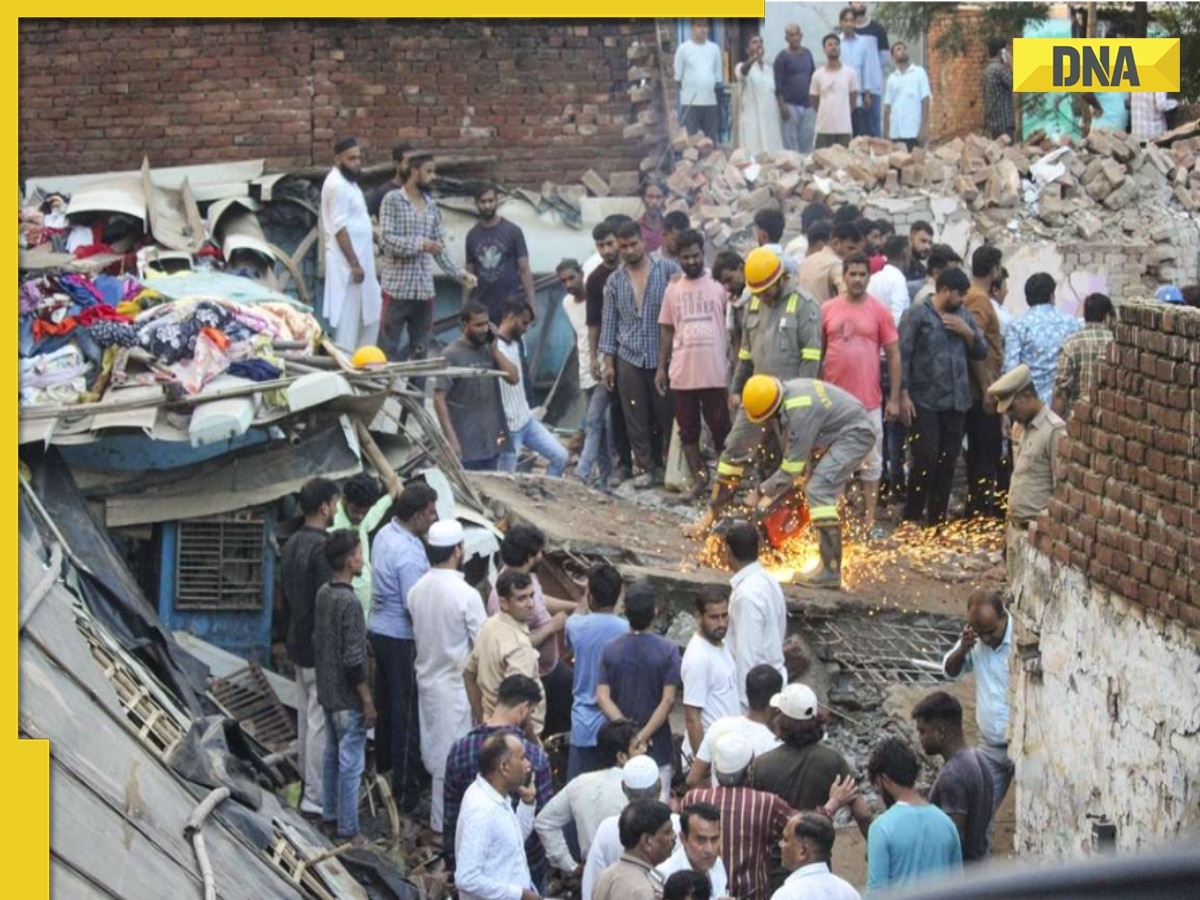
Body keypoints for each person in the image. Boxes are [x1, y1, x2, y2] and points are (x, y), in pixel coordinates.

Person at [685, 248, 822, 537]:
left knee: (788, 467)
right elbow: (745, 354)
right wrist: (736, 389)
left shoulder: (805, 305)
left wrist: (801, 408)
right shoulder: (754, 304)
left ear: (781, 279)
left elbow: (811, 360)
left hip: (790, 404)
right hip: (757, 399)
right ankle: (713, 514)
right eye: (756, 291)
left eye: (767, 290)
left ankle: (787, 531)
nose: (762, 296)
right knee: (733, 452)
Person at [736, 375, 877, 590]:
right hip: (842, 430)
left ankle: (829, 570)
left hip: (855, 433)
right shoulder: (790, 393)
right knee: (812, 488)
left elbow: (792, 469)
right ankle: (821, 554)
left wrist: (761, 491)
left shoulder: (799, 411)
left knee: (818, 490)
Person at [407, 519, 487, 839]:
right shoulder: (466, 595)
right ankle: (447, 827)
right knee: (452, 760)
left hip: (427, 682)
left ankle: (445, 823)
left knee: (436, 754)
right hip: (455, 687)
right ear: (457, 550)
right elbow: (483, 645)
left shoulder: (416, 590)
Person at [898, 267, 988, 528]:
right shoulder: (917, 315)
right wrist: (902, 394)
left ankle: (937, 519)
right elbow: (903, 355)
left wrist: (967, 333)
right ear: (946, 291)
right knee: (925, 457)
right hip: (924, 400)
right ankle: (912, 516)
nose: (962, 300)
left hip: (957, 401)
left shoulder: (963, 316)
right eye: (959, 295)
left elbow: (981, 352)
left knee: (948, 461)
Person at [820, 251, 901, 538]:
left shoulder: (880, 311)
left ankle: (868, 518)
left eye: (862, 274)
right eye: (852, 274)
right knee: (834, 459)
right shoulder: (827, 309)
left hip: (869, 401)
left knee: (872, 460)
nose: (857, 279)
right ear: (843, 276)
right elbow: (818, 353)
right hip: (833, 403)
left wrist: (894, 398)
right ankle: (835, 518)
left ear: (869, 277)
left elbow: (893, 355)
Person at [370, 479, 439, 813]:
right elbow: (417, 605)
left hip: (380, 630)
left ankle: (383, 768)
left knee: (387, 707)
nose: (434, 518)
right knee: (406, 714)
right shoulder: (410, 554)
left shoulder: (385, 533)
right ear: (416, 517)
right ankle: (406, 790)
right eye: (430, 513)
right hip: (400, 636)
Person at [444, 675, 551, 886]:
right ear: (523, 709)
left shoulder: (459, 750)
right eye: (531, 712)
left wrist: (452, 862)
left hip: (472, 863)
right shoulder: (533, 756)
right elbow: (544, 819)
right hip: (524, 870)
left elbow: (451, 814)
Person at [599, 220, 680, 488]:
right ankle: (646, 467)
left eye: (633, 244)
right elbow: (609, 324)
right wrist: (608, 363)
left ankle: (671, 466)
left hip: (662, 356)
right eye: (623, 246)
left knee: (666, 413)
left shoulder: (667, 270)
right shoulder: (614, 280)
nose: (629, 250)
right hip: (629, 357)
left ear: (643, 242)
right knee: (635, 416)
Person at [378, 151, 476, 361]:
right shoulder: (392, 200)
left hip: (423, 292)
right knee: (387, 351)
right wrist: (420, 244)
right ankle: (386, 392)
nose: (433, 177)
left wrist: (460, 274)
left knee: (421, 353)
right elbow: (386, 240)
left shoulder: (432, 206)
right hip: (396, 290)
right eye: (428, 171)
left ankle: (417, 394)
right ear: (414, 172)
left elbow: (439, 249)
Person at [656, 228, 732, 499]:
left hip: (714, 374)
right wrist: (661, 368)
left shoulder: (719, 286)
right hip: (682, 374)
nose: (690, 261)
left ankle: (726, 485)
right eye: (685, 257)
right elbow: (666, 330)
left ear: (703, 253)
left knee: (722, 432)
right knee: (688, 432)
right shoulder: (672, 290)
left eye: (695, 256)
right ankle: (699, 481)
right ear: (678, 258)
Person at [313, 529, 376, 845]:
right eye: (360, 554)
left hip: (327, 690)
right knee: (352, 762)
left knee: (332, 754)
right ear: (351, 561)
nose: (362, 559)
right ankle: (348, 830)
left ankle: (330, 817)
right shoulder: (349, 603)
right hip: (347, 696)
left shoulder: (324, 593)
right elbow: (354, 658)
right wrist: (366, 699)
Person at [282, 477, 339, 817]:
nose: (336, 509)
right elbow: (326, 603)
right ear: (325, 507)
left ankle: (307, 784)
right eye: (334, 503)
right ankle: (315, 796)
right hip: (317, 644)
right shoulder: (323, 548)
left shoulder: (291, 543)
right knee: (318, 720)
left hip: (296, 639)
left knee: (306, 717)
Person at [597, 580, 683, 801]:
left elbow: (602, 697)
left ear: (625, 612)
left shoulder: (609, 650)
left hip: (620, 750)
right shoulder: (668, 650)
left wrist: (628, 733)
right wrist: (642, 736)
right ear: (655, 612)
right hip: (657, 746)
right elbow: (668, 701)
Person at [683, 733, 795, 900]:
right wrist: (830, 807)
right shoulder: (766, 803)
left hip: (703, 894)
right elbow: (800, 826)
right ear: (749, 769)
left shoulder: (693, 798)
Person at [485, 525, 574, 734]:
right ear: (529, 556)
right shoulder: (504, 596)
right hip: (530, 675)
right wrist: (552, 627)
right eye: (539, 552)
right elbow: (512, 644)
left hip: (550, 668)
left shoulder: (527, 579)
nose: (542, 556)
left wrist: (573, 606)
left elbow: (541, 601)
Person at [751, 683, 872, 834]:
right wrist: (873, 845)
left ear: (781, 721)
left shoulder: (761, 765)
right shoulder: (833, 761)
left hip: (776, 854)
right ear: (816, 719)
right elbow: (863, 813)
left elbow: (750, 816)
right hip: (819, 849)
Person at [535, 719, 645, 877]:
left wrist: (569, 866)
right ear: (621, 756)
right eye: (637, 746)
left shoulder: (580, 783)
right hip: (631, 874)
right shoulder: (638, 787)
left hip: (591, 875)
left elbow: (544, 822)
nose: (644, 749)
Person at [941, 589, 1015, 813]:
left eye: (991, 632)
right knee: (978, 813)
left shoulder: (1019, 638)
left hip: (1024, 746)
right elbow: (949, 671)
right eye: (980, 633)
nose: (986, 639)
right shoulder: (975, 641)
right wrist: (963, 649)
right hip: (991, 747)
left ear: (1003, 617)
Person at [865, 737, 963, 893]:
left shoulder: (881, 828)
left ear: (885, 779)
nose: (878, 793)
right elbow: (959, 887)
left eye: (877, 786)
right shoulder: (946, 824)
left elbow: (877, 892)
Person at [433, 301, 519, 471]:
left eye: (487, 323)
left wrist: (495, 350)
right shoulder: (451, 354)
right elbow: (438, 398)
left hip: (493, 440)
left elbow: (513, 378)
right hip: (466, 444)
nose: (484, 329)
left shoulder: (489, 349)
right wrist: (451, 439)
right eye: (478, 325)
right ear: (465, 326)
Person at [454, 732, 541, 900]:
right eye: (522, 758)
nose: (528, 764)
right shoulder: (481, 809)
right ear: (504, 767)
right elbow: (466, 878)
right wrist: (519, 894)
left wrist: (528, 800)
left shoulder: (494, 795)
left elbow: (512, 842)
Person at [912, 691, 995, 863]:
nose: (920, 738)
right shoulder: (980, 759)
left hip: (961, 880)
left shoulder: (953, 775)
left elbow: (951, 840)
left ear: (941, 731)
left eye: (923, 731)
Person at [565, 563, 630, 778]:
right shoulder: (627, 631)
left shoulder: (576, 626)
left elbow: (576, 615)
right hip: (615, 724)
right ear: (619, 595)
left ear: (590, 595)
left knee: (579, 791)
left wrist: (584, 595)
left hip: (583, 726)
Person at [493, 297, 570, 477]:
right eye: (524, 323)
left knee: (561, 457)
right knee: (506, 478)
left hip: (526, 420)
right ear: (512, 317)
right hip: (508, 427)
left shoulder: (518, 343)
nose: (526, 328)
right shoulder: (493, 347)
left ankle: (544, 495)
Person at [466, 569, 546, 735]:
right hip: (515, 736)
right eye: (521, 598)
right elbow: (520, 704)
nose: (530, 603)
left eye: (531, 595)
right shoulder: (519, 645)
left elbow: (468, 674)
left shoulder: (489, 626)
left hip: (491, 727)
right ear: (503, 603)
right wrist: (534, 745)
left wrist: (483, 719)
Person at [320, 137, 382, 351]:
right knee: (348, 324)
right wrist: (354, 264)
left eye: (359, 157)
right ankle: (346, 369)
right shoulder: (337, 184)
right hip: (347, 268)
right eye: (351, 158)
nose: (357, 162)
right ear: (338, 159)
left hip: (364, 263)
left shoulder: (350, 183)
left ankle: (365, 365)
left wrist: (375, 237)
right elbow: (339, 227)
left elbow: (358, 220)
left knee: (372, 316)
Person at [581, 218, 629, 488]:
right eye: (601, 245)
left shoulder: (633, 268)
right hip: (611, 355)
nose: (607, 250)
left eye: (610, 243)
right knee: (613, 413)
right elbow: (594, 323)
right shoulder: (596, 278)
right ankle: (612, 470)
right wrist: (594, 358)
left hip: (637, 350)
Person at [990, 364, 1066, 533]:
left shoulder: (1054, 431)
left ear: (1027, 395)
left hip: (1037, 533)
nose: (1009, 414)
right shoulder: (1018, 428)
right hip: (1015, 528)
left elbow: (1062, 493)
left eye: (1012, 408)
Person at [582, 755, 669, 900]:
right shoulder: (675, 826)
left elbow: (591, 884)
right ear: (660, 786)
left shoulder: (608, 827)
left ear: (623, 787)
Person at [687, 664, 783, 789]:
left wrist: (711, 800)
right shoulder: (775, 746)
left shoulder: (719, 726)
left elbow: (692, 780)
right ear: (775, 700)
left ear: (747, 692)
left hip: (715, 805)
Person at [869, 235, 913, 505]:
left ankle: (880, 477)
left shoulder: (874, 279)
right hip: (889, 358)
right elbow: (898, 320)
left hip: (872, 357)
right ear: (905, 252)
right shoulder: (897, 279)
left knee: (879, 422)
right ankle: (895, 481)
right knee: (894, 422)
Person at [962, 246, 1005, 519]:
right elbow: (975, 346)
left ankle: (977, 507)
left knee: (981, 451)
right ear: (994, 271)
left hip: (979, 387)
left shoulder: (974, 296)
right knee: (985, 450)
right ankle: (978, 510)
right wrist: (987, 388)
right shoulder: (978, 299)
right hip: (980, 391)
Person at [724, 523, 787, 703]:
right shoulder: (771, 583)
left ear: (728, 551)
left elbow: (746, 655)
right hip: (771, 684)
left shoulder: (746, 596)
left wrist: (745, 705)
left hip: (757, 695)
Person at [682, 587, 741, 765]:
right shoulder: (698, 658)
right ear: (699, 617)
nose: (721, 623)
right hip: (711, 758)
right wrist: (703, 768)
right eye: (714, 617)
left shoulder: (720, 644)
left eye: (724, 616)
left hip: (727, 753)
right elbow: (692, 718)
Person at [1003, 272, 1082, 403]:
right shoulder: (1072, 323)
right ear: (1052, 296)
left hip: (1030, 405)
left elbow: (1010, 370)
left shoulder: (1018, 326)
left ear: (1027, 299)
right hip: (1064, 403)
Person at [464, 184, 535, 323]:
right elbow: (469, 275)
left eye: (491, 201)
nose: (487, 205)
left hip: (511, 307)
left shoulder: (513, 231)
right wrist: (464, 307)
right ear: (476, 203)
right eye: (483, 202)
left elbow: (524, 270)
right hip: (482, 310)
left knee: (512, 344)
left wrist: (532, 303)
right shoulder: (472, 236)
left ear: (497, 201)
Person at [332, 473, 395, 621]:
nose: (360, 517)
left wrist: (392, 494)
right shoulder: (333, 527)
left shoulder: (362, 519)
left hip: (366, 614)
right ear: (344, 500)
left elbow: (375, 512)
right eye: (355, 511)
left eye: (364, 512)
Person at [593, 800, 677, 900]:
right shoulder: (642, 890)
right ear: (647, 841)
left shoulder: (605, 876)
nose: (674, 836)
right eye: (667, 832)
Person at [1052, 292, 1115, 418]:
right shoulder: (1116, 342)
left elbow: (1061, 391)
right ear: (1107, 317)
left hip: (1078, 418)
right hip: (1110, 419)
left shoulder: (1071, 343)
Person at [772, 812, 861, 900]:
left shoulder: (786, 895)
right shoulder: (849, 892)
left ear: (802, 851)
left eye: (786, 840)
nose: (781, 844)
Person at [656, 803, 730, 897]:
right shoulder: (664, 876)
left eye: (714, 839)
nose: (709, 849)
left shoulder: (717, 863)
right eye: (701, 840)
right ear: (683, 839)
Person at [558, 258, 592, 454]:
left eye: (572, 278)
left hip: (605, 365)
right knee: (594, 416)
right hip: (585, 367)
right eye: (563, 281)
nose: (569, 284)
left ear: (581, 274)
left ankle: (583, 462)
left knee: (596, 418)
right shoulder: (566, 303)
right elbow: (577, 333)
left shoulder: (596, 295)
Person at [836, 6, 882, 138]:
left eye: (851, 20)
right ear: (841, 23)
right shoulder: (837, 42)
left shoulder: (862, 42)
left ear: (855, 23)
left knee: (861, 134)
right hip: (841, 94)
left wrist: (867, 92)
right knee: (843, 134)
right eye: (846, 20)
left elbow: (866, 68)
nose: (849, 24)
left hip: (859, 96)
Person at [675, 19, 724, 141]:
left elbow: (717, 78)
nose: (703, 29)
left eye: (705, 26)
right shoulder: (683, 49)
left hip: (710, 103)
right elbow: (678, 79)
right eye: (699, 26)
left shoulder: (714, 49)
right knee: (691, 143)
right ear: (692, 28)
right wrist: (692, 89)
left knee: (709, 141)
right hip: (690, 103)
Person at [737, 34, 784, 157]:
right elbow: (742, 72)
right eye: (754, 42)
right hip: (753, 118)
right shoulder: (742, 66)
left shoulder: (769, 69)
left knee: (773, 152)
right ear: (747, 49)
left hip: (771, 118)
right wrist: (753, 59)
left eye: (761, 42)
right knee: (754, 153)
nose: (759, 44)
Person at [810, 33, 858, 149]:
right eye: (829, 45)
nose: (833, 47)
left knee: (843, 164)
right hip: (823, 129)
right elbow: (814, 101)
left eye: (836, 44)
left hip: (844, 129)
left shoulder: (850, 73)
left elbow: (853, 100)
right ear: (824, 49)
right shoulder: (818, 74)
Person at [775, 23, 817, 154]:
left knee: (807, 142)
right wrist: (782, 105)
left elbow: (813, 77)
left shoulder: (807, 54)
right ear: (786, 38)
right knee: (791, 145)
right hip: (790, 106)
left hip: (808, 105)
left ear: (801, 36)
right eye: (790, 35)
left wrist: (815, 103)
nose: (794, 38)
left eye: (796, 34)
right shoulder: (782, 57)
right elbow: (778, 84)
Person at [882, 41, 930, 150]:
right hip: (896, 134)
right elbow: (887, 108)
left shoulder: (919, 73)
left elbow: (925, 101)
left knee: (914, 165)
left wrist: (923, 129)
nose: (902, 51)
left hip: (914, 133)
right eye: (898, 49)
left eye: (904, 48)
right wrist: (886, 134)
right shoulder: (892, 78)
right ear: (893, 57)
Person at [796, 219, 845, 304]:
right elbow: (846, 293)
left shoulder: (801, 264)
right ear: (821, 245)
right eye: (833, 243)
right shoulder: (832, 262)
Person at [983, 38, 1015, 141]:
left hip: (994, 123)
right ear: (1002, 53)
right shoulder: (1000, 70)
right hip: (1004, 123)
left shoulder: (988, 69)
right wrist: (1012, 64)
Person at [366, 142, 410, 217]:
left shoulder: (419, 192)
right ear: (396, 164)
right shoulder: (383, 193)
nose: (412, 168)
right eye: (407, 163)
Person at [639, 180, 667, 255]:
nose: (654, 202)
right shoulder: (636, 227)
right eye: (650, 197)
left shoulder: (669, 228)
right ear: (643, 199)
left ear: (664, 199)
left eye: (658, 197)